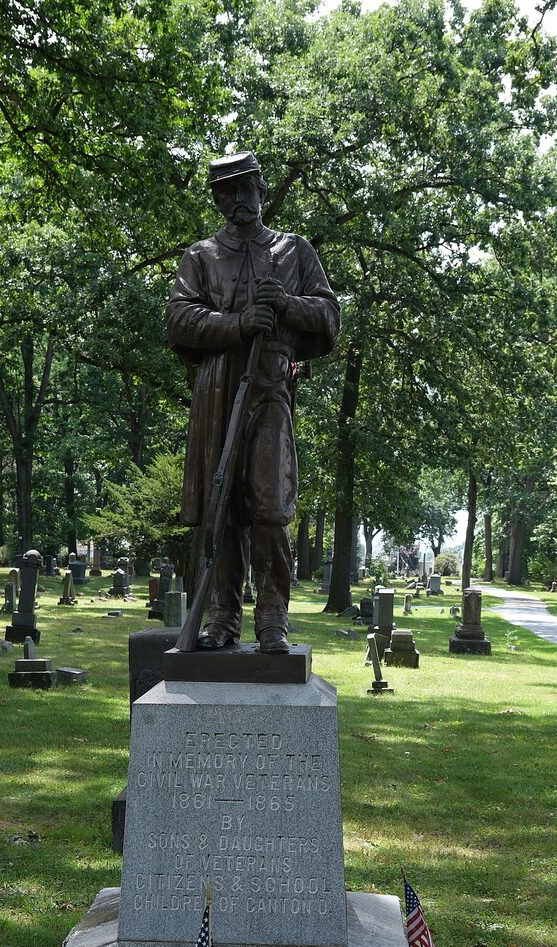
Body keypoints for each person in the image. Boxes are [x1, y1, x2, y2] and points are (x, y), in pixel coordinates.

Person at [167, 151, 340, 653]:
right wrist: (237, 324)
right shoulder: (200, 257)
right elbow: (178, 319)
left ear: (263, 190)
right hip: (218, 390)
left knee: (269, 507)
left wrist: (287, 306)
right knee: (219, 508)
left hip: (269, 389)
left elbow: (329, 315)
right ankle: (222, 617)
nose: (238, 201)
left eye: (246, 189)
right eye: (227, 192)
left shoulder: (295, 251)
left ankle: (272, 619)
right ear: (218, 200)